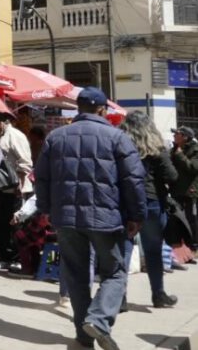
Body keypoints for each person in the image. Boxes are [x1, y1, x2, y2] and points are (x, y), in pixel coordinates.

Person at [34, 87, 146, 350]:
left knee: (75, 275)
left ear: (79, 108)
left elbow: (42, 178)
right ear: (102, 110)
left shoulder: (56, 138)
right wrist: (137, 215)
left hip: (67, 218)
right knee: (115, 273)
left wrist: (46, 210)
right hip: (106, 218)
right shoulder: (117, 137)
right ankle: (98, 320)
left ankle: (84, 335)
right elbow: (134, 180)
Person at [119, 111, 179, 308]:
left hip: (126, 202)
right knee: (153, 251)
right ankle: (158, 294)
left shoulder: (119, 146)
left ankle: (119, 297)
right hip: (152, 202)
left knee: (124, 249)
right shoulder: (157, 148)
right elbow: (172, 176)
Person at [0, 117, 33, 274]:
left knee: (15, 225)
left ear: (2, 121)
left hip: (15, 190)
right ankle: (3, 256)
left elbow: (25, 163)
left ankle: (17, 258)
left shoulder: (15, 135)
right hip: (0, 189)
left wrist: (19, 182)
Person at [171, 126, 198, 251]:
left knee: (191, 219)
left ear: (185, 137)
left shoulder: (195, 150)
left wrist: (180, 155)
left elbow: (193, 168)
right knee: (177, 219)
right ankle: (180, 246)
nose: (174, 135)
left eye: (177, 134)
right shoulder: (174, 149)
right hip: (176, 190)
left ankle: (194, 245)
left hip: (190, 191)